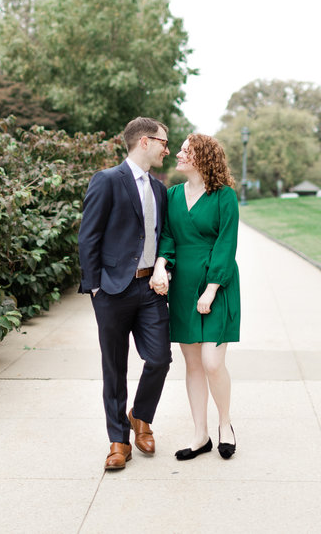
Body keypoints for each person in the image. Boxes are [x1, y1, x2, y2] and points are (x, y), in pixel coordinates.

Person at [78, 116, 173, 471]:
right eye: (164, 141)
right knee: (114, 368)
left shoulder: (160, 190)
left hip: (149, 288)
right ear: (144, 142)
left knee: (160, 358)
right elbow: (88, 236)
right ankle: (118, 441)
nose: (167, 148)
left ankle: (141, 416)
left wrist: (163, 268)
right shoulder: (107, 180)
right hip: (112, 291)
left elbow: (164, 235)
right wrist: (96, 287)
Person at [150, 133, 240, 460]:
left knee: (212, 362)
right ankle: (200, 435)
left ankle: (225, 425)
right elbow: (168, 239)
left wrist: (213, 288)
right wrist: (162, 266)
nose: (178, 154)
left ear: (202, 157)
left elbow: (226, 244)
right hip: (184, 285)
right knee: (193, 365)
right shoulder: (172, 195)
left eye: (186, 151)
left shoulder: (224, 197)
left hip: (218, 282)